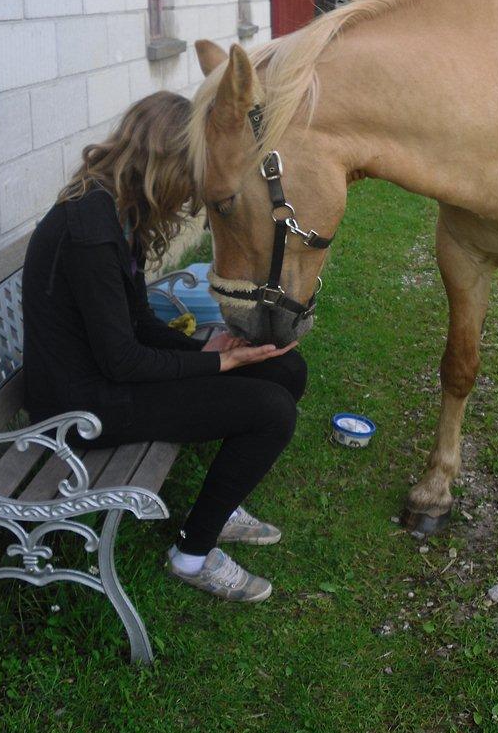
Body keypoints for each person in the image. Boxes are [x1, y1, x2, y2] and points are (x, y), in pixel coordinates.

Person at [21, 92, 306, 603]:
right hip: (79, 406)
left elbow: (135, 322)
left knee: (287, 372)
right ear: (165, 162)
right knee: (271, 411)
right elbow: (122, 360)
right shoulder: (89, 231)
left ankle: (220, 508)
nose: (192, 191)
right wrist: (219, 361)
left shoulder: (111, 211)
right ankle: (191, 555)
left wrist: (205, 351)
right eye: (191, 173)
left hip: (106, 379)